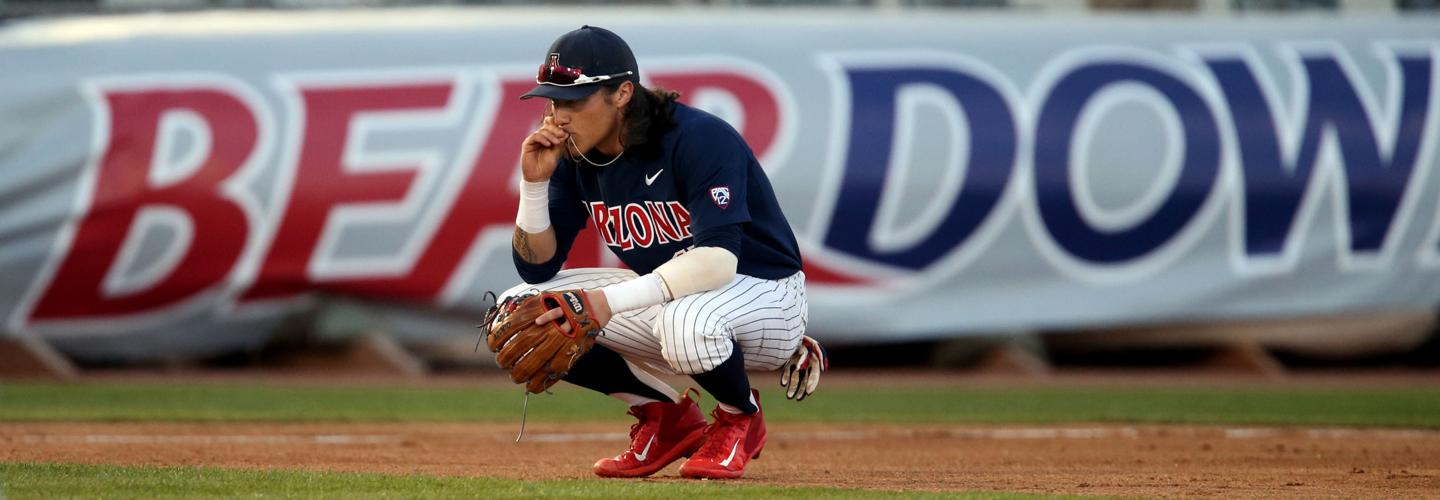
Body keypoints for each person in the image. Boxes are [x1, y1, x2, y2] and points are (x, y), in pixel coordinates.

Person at [495, 25, 821, 480]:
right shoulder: (577, 157)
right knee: (523, 309)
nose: (558, 116)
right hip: (675, 296)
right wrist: (533, 185)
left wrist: (604, 305)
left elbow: (717, 260)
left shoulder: (698, 137)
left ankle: (740, 416)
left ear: (622, 93)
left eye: (574, 102)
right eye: (553, 101)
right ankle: (666, 417)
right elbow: (537, 266)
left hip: (766, 293)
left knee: (684, 321)